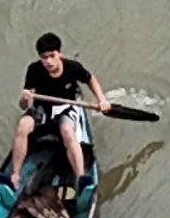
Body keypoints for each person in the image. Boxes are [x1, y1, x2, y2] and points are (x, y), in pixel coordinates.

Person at [19, 32, 107, 185]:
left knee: (67, 131)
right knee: (22, 126)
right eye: (44, 57)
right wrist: (25, 99)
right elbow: (23, 106)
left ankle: (81, 179)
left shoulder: (72, 68)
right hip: (43, 108)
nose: (49, 61)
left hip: (65, 107)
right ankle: (14, 176)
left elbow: (90, 79)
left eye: (52, 56)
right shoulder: (34, 70)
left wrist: (102, 100)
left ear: (60, 53)